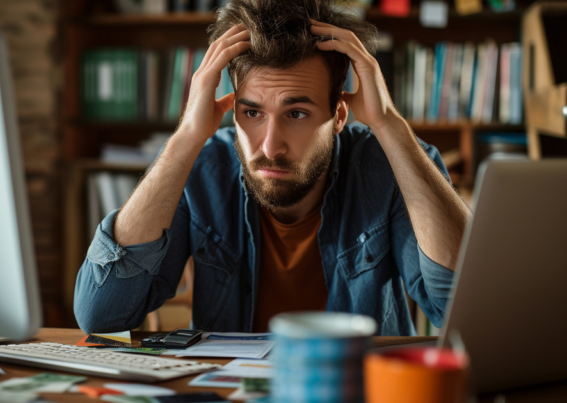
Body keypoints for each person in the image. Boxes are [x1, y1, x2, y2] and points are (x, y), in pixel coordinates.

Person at [74, 0, 471, 336]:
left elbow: (461, 310)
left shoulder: (389, 166)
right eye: (252, 112)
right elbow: (101, 313)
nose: (270, 146)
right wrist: (185, 140)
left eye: (296, 112)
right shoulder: (202, 166)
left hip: (358, 399)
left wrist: (389, 124)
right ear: (233, 109)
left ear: (338, 115)